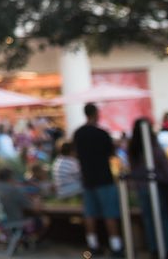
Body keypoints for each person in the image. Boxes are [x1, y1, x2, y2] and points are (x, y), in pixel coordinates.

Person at [74, 103, 124, 257]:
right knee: (109, 213)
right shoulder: (101, 133)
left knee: (90, 214)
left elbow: (76, 153)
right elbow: (111, 153)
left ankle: (93, 245)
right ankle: (116, 247)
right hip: (103, 178)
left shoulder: (78, 133)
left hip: (88, 178)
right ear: (96, 113)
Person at [128, 117, 168, 257]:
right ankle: (167, 249)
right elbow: (166, 169)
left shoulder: (133, 148)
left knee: (149, 219)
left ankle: (155, 248)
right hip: (158, 187)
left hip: (142, 188)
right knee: (164, 218)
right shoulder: (153, 147)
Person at [0, 167, 48, 243]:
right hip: (11, 223)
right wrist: (37, 199)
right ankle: (28, 242)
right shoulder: (14, 190)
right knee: (44, 220)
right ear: (11, 177)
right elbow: (35, 209)